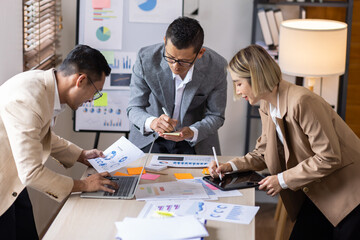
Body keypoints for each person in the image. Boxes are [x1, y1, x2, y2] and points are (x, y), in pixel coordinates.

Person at [209, 44, 360, 239]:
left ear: (255, 77)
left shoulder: (302, 101)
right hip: (319, 191)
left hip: (350, 193)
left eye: (238, 83)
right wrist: (230, 166)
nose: (237, 91)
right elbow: (264, 151)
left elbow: (329, 157)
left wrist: (282, 180)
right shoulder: (267, 105)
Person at [0, 45, 119, 239]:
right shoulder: (29, 99)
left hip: (12, 178)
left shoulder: (45, 86)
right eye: (96, 93)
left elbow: (40, 134)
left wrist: (81, 155)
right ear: (80, 80)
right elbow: (31, 173)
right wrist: (84, 185)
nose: (92, 100)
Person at [127, 17, 227, 155]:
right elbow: (134, 107)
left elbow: (216, 115)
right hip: (150, 138)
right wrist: (152, 123)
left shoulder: (216, 66)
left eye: (184, 61)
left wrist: (193, 131)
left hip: (194, 140)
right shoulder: (145, 59)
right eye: (170, 57)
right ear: (164, 42)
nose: (175, 66)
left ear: (200, 53)